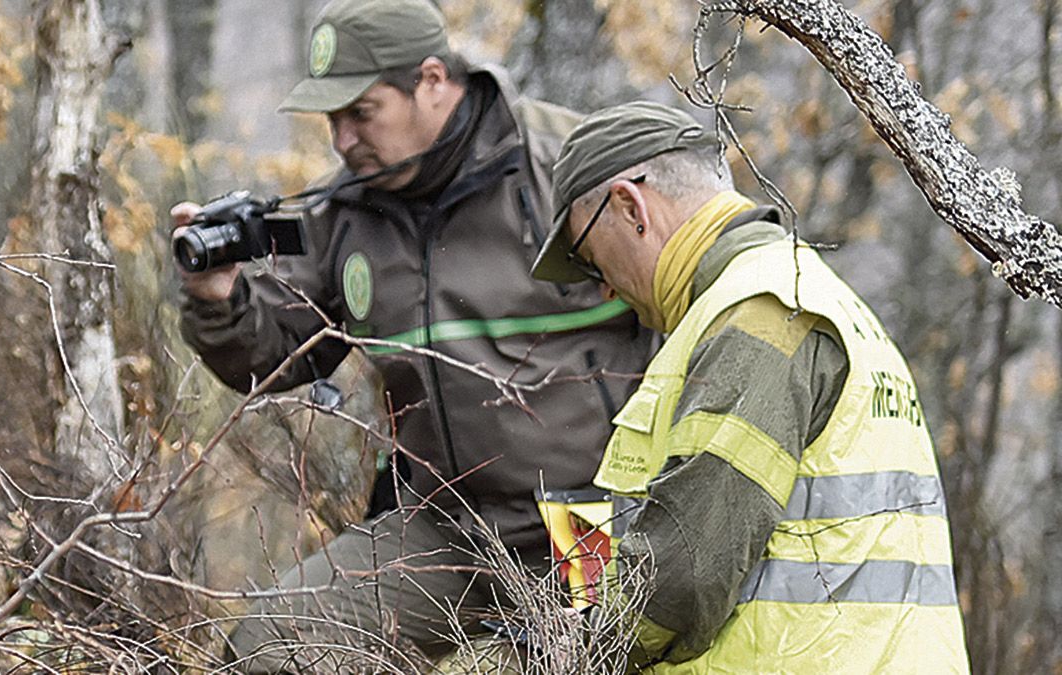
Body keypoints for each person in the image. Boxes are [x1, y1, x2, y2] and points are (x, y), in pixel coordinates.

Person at [172, 0, 653, 669]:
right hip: (445, 528)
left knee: (582, 659)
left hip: (588, 524)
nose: (341, 140)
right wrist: (218, 299)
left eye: (360, 113)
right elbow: (275, 356)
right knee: (274, 645)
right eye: (331, 119)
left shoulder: (567, 168)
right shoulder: (346, 209)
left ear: (432, 81)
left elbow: (694, 303)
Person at [530, 101, 969, 672]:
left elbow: (684, 572)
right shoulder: (812, 293)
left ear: (630, 206)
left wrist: (561, 651)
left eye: (592, 261)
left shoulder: (758, 315)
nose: (606, 290)